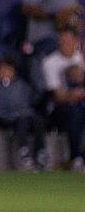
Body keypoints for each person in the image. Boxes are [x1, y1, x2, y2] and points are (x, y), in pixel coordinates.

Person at [0, 55, 46, 170]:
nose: (4, 72)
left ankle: (41, 153)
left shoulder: (21, 85)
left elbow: (38, 93)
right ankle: (24, 154)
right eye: (1, 69)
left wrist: (34, 62)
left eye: (8, 69)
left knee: (38, 120)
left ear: (14, 72)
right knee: (22, 121)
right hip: (4, 117)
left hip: (25, 115)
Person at [42, 27, 85, 170]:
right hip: (59, 110)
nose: (63, 44)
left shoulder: (82, 58)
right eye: (61, 41)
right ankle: (76, 158)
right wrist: (72, 95)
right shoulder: (50, 62)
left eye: (67, 41)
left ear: (76, 41)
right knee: (75, 112)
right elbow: (57, 96)